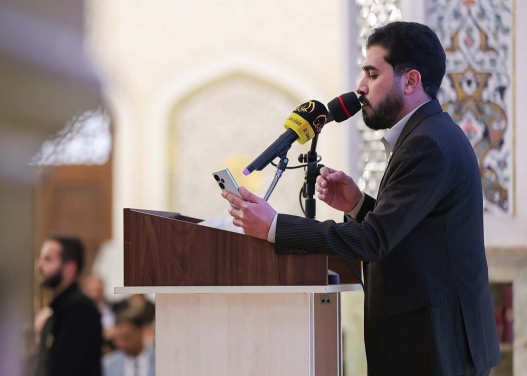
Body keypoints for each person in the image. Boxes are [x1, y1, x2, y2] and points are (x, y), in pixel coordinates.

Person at [222, 21, 500, 376]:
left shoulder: (427, 143)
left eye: (372, 74)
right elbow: (414, 231)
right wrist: (358, 205)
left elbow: (374, 240)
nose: (360, 87)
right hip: (432, 342)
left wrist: (274, 226)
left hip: (436, 345)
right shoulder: (430, 133)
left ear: (410, 81)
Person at [35, 236, 102, 376]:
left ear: (69, 268)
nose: (39, 265)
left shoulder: (80, 310)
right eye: (41, 258)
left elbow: (68, 367)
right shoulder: (58, 309)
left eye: (48, 259)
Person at [103, 312, 155, 376]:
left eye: (127, 338)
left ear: (141, 332)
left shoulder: (162, 360)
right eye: (117, 339)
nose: (122, 344)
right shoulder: (107, 365)